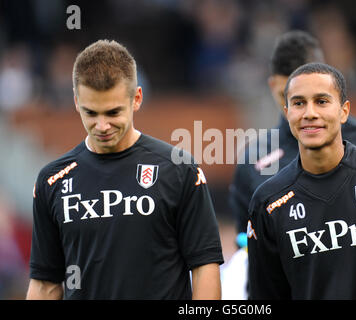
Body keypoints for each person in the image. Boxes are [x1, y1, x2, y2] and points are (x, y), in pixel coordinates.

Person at [226, 30, 356, 300]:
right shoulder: (258, 169)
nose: (310, 113)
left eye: (321, 100)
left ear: (342, 106)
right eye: (295, 100)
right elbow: (252, 260)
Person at [26, 40, 224, 299]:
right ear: (76, 101)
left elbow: (204, 266)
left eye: (113, 112)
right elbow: (45, 284)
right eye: (91, 113)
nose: (102, 125)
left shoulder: (178, 169)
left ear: (137, 99)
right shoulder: (52, 181)